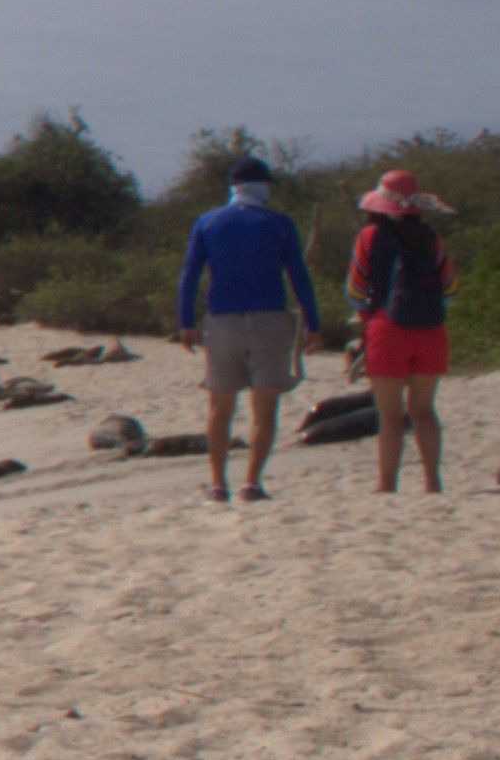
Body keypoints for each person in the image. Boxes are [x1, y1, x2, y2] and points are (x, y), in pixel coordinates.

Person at [173, 154, 327, 502]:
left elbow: (190, 274)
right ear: (263, 188)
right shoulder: (278, 223)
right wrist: (313, 324)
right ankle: (251, 482)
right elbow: (298, 276)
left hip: (222, 320)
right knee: (264, 408)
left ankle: (216, 483)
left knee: (219, 407)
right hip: (269, 318)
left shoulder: (207, 222)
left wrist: (185, 321)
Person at [348, 166, 461, 492]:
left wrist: (366, 315)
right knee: (424, 411)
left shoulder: (369, 237)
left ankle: (386, 484)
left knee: (390, 416)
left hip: (387, 329)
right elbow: (450, 288)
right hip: (431, 331)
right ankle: (432, 481)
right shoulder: (429, 237)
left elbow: (355, 290)